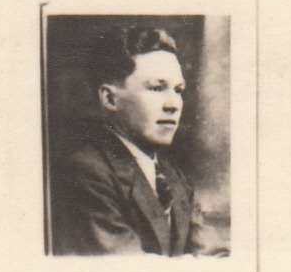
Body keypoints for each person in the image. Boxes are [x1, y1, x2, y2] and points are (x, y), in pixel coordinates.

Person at [49, 26, 223, 256]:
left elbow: (216, 256)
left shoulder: (175, 180)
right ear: (110, 99)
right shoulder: (86, 173)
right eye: (157, 88)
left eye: (178, 90)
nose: (173, 104)